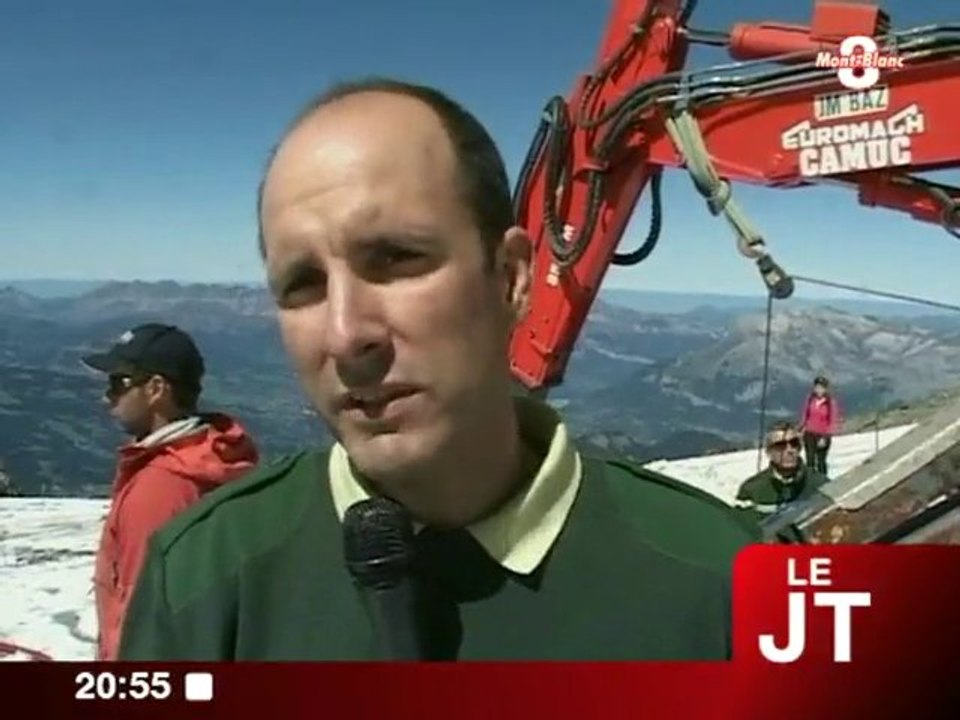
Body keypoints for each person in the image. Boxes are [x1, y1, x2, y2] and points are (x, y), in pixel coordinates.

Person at [118, 78, 759, 662]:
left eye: (396, 257)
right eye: (303, 284)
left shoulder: (727, 581)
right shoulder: (201, 576)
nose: (345, 335)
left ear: (510, 279)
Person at [81, 323, 260, 660]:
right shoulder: (214, 458)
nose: (106, 396)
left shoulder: (161, 487)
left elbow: (141, 615)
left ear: (156, 389)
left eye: (118, 383)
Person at [732, 421, 829, 527]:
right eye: (780, 445)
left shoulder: (820, 484)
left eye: (794, 443)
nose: (789, 450)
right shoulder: (751, 491)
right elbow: (740, 531)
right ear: (769, 452)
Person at [799, 375, 842, 476]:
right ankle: (809, 481)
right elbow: (805, 415)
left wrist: (826, 436)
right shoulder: (810, 399)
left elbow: (832, 420)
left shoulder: (830, 403)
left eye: (821, 387)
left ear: (825, 389)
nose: (819, 390)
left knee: (821, 460)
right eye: (817, 387)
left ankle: (823, 480)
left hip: (823, 435)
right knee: (810, 459)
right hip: (809, 433)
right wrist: (801, 429)